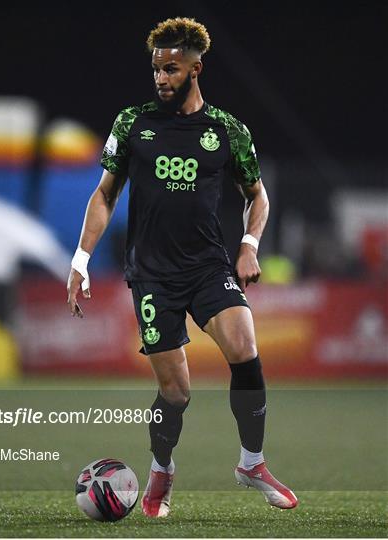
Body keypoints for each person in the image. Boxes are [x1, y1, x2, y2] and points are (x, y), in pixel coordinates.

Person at [67, 17, 297, 518]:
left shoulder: (227, 131)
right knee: (177, 391)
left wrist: (250, 243)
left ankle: (251, 463)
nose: (161, 78)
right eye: (156, 69)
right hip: (151, 275)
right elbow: (105, 195)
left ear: (196, 68)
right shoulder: (133, 123)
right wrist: (82, 258)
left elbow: (257, 196)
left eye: (171, 69)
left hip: (208, 266)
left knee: (245, 344)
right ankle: (161, 470)